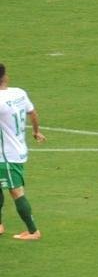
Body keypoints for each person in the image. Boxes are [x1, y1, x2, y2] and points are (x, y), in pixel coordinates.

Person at [0, 63, 45, 240]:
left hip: (6, 156)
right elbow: (32, 113)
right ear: (6, 77)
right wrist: (36, 131)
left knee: (15, 191)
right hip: (15, 150)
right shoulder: (19, 93)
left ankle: (34, 231)